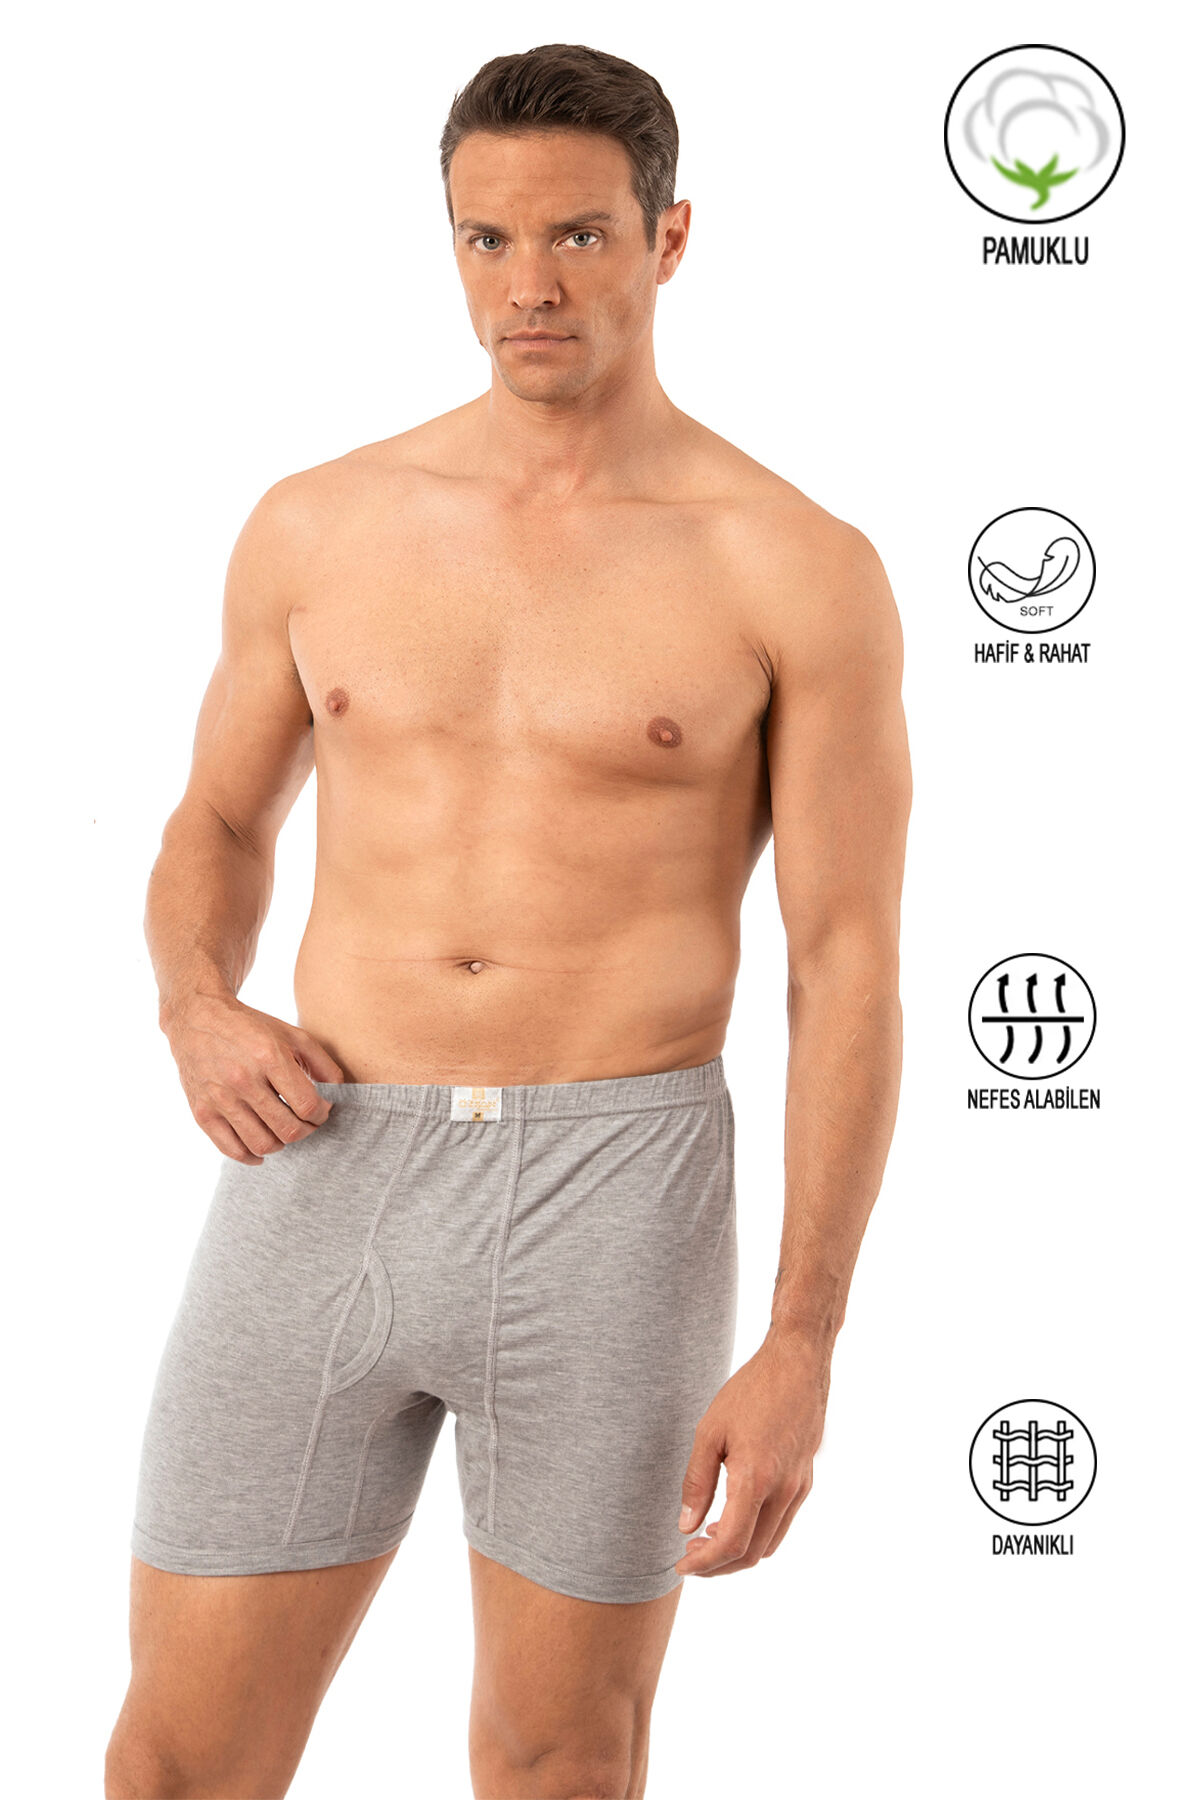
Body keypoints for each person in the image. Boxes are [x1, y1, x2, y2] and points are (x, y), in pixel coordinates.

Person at [105, 39, 911, 1800]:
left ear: (669, 238)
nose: (528, 284)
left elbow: (845, 964)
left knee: (559, 1764)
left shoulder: (793, 563)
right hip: (321, 1157)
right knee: (175, 1762)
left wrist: (803, 1339)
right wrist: (194, 1003)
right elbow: (218, 821)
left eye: (577, 237)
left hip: (617, 1193)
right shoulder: (320, 523)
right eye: (488, 240)